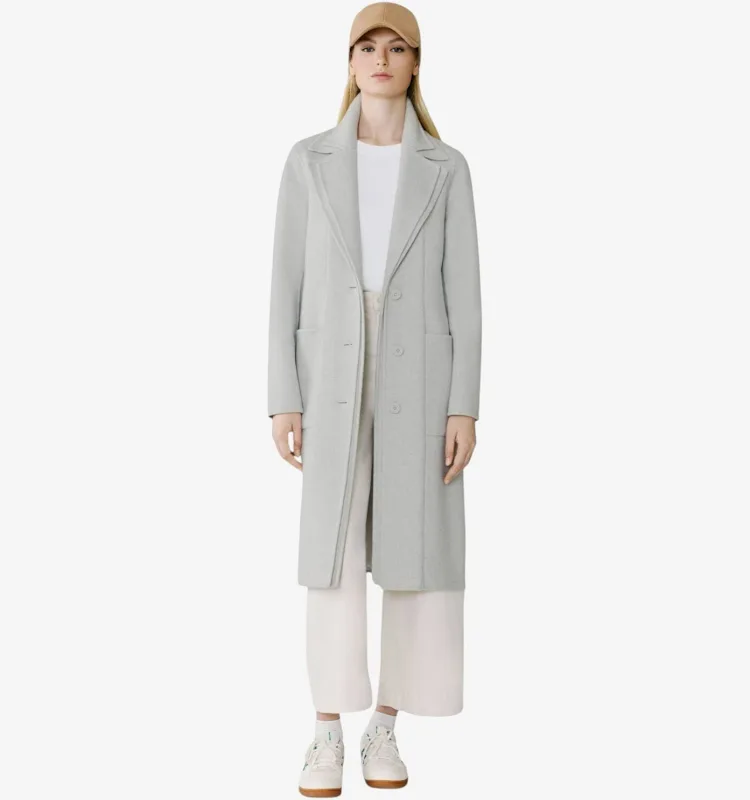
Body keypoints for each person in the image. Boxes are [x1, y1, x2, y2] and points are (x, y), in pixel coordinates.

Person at [267, 2, 482, 795]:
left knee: (413, 548)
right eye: (367, 46)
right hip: (331, 373)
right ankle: (326, 729)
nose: (381, 58)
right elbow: (284, 286)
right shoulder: (309, 160)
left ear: (416, 63)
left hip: (419, 373)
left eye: (397, 47)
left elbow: (466, 294)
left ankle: (385, 725)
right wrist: (283, 396)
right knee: (334, 554)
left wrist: (463, 406)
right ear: (350, 61)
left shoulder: (447, 167)